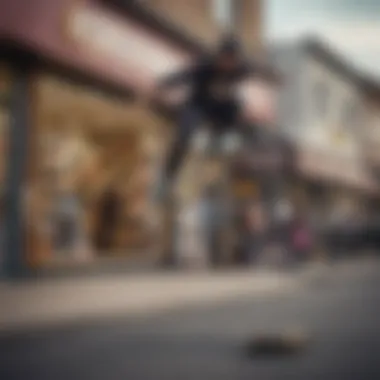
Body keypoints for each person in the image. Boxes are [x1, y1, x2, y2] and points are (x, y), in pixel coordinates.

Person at [153, 34, 280, 201]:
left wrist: (274, 77)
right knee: (184, 133)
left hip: (222, 109)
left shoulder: (242, 68)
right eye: (224, 60)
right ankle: (168, 177)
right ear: (219, 56)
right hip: (198, 105)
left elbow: (257, 69)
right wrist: (166, 83)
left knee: (240, 110)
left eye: (231, 61)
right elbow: (184, 75)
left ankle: (225, 140)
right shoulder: (205, 67)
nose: (227, 65)